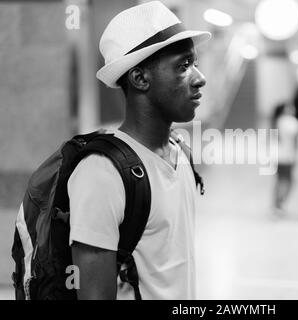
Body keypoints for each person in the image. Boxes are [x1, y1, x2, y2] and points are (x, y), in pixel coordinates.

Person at [68, 1, 210, 299]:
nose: (200, 78)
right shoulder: (102, 173)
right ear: (140, 78)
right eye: (183, 66)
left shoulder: (179, 152)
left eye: (195, 64)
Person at [271, 102, 298, 216]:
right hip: (288, 156)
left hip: (278, 155)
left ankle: (276, 204)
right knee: (287, 181)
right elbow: (296, 141)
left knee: (280, 180)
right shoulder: (292, 122)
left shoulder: (278, 121)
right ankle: (280, 204)